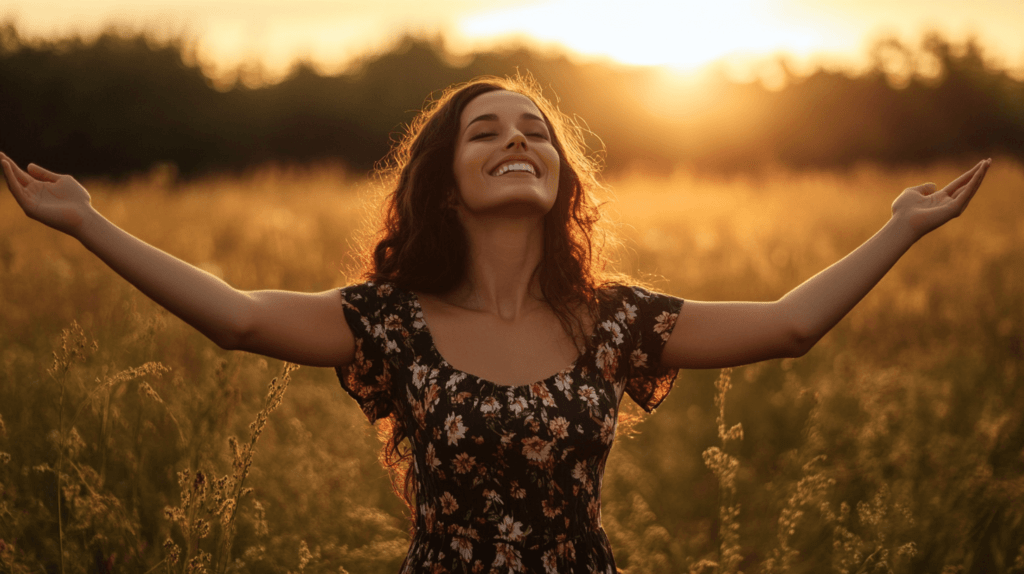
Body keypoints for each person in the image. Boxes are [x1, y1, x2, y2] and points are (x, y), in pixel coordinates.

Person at [0, 75, 990, 573]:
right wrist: (89, 223)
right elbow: (241, 319)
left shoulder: (613, 322)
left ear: (562, 179)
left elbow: (786, 326)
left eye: (535, 132)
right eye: (486, 131)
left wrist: (897, 228)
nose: (516, 139)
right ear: (447, 182)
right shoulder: (389, 324)